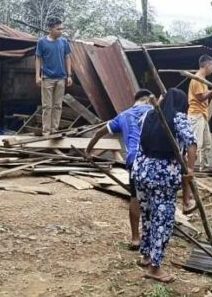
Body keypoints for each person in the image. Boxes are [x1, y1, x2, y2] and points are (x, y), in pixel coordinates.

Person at [132, 88, 197, 282]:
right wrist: (190, 170)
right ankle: (155, 267)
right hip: (164, 176)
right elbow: (192, 144)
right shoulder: (178, 118)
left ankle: (146, 256)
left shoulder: (149, 115)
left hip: (142, 171)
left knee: (148, 215)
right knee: (163, 220)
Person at [86, 89, 154, 249]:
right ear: (148, 100)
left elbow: (98, 133)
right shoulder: (154, 111)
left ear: (135, 100)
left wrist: (88, 151)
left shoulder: (123, 115)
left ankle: (135, 239)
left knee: (135, 197)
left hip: (134, 159)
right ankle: (151, 237)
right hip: (153, 158)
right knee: (153, 198)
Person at [35, 17, 72, 135]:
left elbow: (67, 57)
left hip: (61, 78)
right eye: (58, 29)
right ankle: (46, 131)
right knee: (47, 106)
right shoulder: (42, 42)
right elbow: (38, 58)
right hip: (47, 78)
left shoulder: (64, 42)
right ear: (50, 29)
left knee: (58, 106)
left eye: (62, 28)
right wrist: (37, 76)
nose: (61, 31)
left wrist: (69, 75)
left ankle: (54, 130)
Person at [187, 55, 212, 168]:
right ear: (207, 65)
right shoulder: (197, 79)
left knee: (207, 144)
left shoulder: (202, 80)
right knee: (197, 144)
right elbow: (200, 97)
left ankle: (204, 166)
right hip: (196, 114)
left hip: (202, 115)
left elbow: (204, 96)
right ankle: (193, 168)